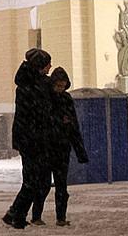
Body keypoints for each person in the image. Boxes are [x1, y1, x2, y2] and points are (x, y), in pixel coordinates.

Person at [31, 67, 88, 226]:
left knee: (61, 186)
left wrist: (80, 150)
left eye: (63, 86)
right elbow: (43, 121)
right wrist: (60, 121)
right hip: (46, 148)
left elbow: (73, 126)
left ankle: (61, 217)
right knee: (43, 184)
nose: (60, 89)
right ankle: (36, 216)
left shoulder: (67, 99)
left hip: (62, 149)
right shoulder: (45, 99)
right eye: (58, 86)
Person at [3, 48, 54, 229]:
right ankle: (16, 214)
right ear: (40, 65)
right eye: (47, 63)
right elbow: (40, 112)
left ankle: (15, 213)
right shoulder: (34, 86)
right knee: (35, 180)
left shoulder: (27, 84)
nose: (50, 66)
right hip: (34, 139)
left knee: (32, 180)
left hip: (29, 139)